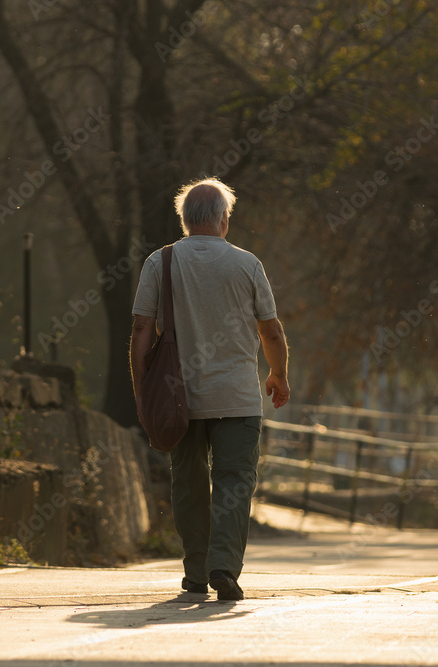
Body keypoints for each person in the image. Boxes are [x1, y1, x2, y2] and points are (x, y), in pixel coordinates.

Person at [129, 178, 289, 601]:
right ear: (223, 219)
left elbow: (142, 328)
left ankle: (196, 570)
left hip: (178, 396)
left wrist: (142, 388)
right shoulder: (247, 263)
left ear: (184, 221)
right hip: (237, 398)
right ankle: (224, 567)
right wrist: (278, 374)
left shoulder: (158, 262)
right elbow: (270, 329)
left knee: (188, 481)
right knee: (234, 481)